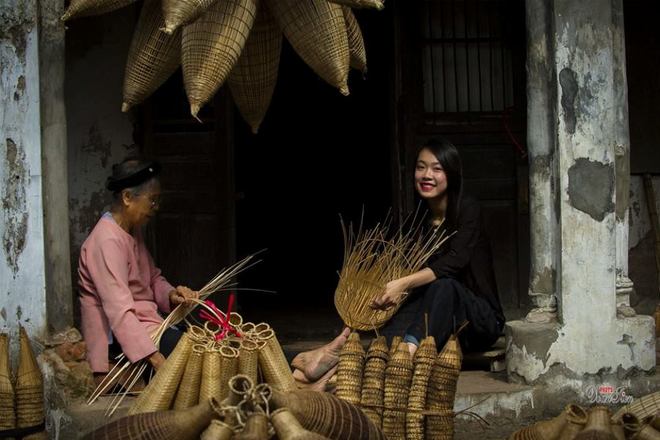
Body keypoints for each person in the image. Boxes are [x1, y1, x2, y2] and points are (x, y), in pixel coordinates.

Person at [371, 138, 505, 355]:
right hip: (437, 319)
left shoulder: (468, 211)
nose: (426, 175)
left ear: (451, 175)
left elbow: (453, 262)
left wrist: (403, 283)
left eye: (437, 169)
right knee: (398, 318)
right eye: (421, 167)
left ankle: (406, 356)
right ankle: (363, 359)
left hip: (477, 322)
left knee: (444, 285)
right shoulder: (416, 222)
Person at [78, 157, 199, 385]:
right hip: (122, 340)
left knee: (206, 341)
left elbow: (152, 278)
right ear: (127, 198)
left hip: (148, 324)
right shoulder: (106, 241)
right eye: (152, 201)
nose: (156, 208)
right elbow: (119, 311)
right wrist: (153, 357)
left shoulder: (132, 231)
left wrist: (172, 294)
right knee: (195, 354)